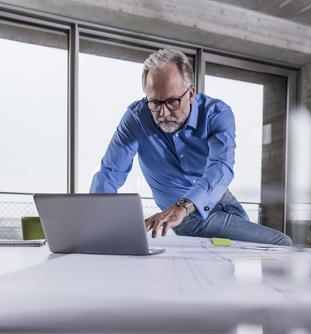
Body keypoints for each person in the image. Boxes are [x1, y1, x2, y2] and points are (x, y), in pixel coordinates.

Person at [90, 49, 292, 246]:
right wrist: (95, 221)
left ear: (191, 93)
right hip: (186, 220)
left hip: (223, 201)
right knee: (281, 243)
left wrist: (185, 204)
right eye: (154, 103)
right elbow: (110, 172)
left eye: (172, 102)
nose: (163, 113)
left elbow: (221, 167)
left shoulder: (217, 113)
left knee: (242, 257)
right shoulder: (136, 118)